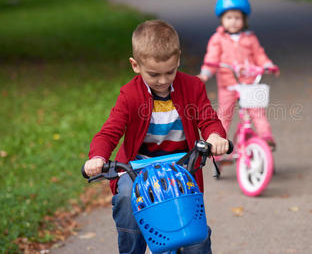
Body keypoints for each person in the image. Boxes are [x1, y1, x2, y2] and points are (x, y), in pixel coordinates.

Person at [83, 20, 229, 254]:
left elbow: (208, 119)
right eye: (154, 74)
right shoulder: (129, 95)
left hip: (182, 168)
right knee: (125, 198)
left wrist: (214, 137)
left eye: (169, 72)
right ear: (135, 65)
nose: (163, 80)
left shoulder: (193, 87)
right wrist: (98, 157)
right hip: (137, 168)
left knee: (194, 237)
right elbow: (110, 131)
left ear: (178, 59)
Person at [197, 0, 279, 151]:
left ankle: (265, 138)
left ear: (244, 20)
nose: (233, 22)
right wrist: (205, 74)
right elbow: (212, 59)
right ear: (222, 19)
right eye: (229, 18)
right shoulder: (218, 39)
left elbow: (259, 55)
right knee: (223, 116)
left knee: (257, 112)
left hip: (249, 84)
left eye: (237, 18)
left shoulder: (250, 38)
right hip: (227, 85)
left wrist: (268, 65)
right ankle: (219, 146)